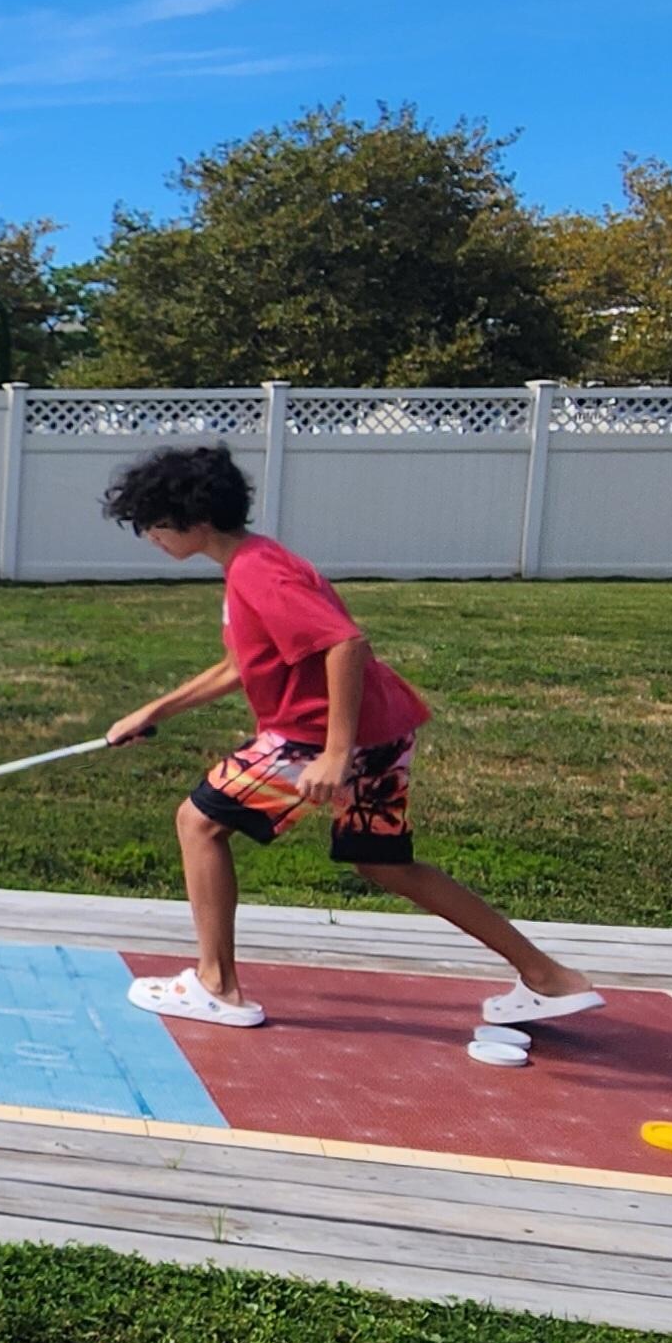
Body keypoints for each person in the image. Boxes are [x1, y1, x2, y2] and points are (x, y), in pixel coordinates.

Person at [96, 442, 600, 1032]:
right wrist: (154, 710)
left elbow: (345, 644)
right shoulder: (255, 563)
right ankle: (549, 979)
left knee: (198, 822)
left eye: (154, 524)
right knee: (383, 862)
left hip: (316, 737)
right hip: (382, 731)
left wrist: (336, 753)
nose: (150, 536)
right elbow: (242, 665)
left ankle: (216, 986)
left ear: (195, 521)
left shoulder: (259, 573)